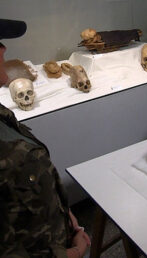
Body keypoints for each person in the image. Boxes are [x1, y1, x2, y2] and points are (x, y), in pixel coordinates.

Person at [0, 19, 91, 257]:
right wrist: (70, 255)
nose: (4, 49)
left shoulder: (3, 114)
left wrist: (68, 219)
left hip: (56, 235)